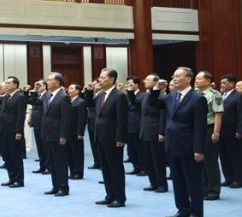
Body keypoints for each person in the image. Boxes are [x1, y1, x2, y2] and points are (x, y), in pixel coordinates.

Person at [150, 67, 207, 217]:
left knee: (192, 180)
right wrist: (157, 88)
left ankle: (196, 212)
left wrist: (199, 149)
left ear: (188, 79)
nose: (174, 79)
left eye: (178, 76)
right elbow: (153, 102)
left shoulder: (197, 98)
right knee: (178, 179)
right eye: (173, 76)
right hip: (172, 144)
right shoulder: (172, 95)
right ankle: (182, 209)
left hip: (189, 146)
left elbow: (200, 127)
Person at [84, 68, 128, 208]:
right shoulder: (100, 95)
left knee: (115, 168)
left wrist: (120, 138)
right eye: (99, 77)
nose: (99, 80)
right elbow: (89, 105)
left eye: (103, 77)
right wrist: (90, 91)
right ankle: (109, 195)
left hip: (113, 137)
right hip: (100, 136)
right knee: (106, 168)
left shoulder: (119, 95)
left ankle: (119, 198)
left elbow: (122, 119)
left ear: (112, 79)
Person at [130, 73, 168, 193]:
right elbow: (135, 104)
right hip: (144, 131)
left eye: (148, 80)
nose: (145, 81)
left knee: (158, 160)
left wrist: (161, 132)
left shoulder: (161, 97)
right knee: (148, 160)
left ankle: (162, 184)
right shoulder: (146, 96)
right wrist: (130, 92)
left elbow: (163, 116)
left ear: (156, 83)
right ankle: (153, 183)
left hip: (156, 131)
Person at [36, 72, 71, 196]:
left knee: (60, 162)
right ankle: (55, 186)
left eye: (50, 80)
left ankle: (63, 187)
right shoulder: (47, 96)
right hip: (47, 133)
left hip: (57, 134)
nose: (47, 82)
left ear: (57, 82)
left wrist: (63, 135)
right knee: (51, 161)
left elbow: (66, 119)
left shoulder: (63, 96)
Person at [0, 76, 27, 188]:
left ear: (15, 85)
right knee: (7, 155)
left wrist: (19, 131)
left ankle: (19, 179)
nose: (6, 85)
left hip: (13, 130)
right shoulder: (6, 96)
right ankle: (12, 178)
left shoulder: (20, 96)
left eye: (8, 83)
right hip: (4, 129)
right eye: (6, 83)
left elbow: (20, 116)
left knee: (15, 156)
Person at [195, 71, 223, 201]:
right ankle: (203, 187)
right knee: (199, 159)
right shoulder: (195, 94)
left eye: (199, 78)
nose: (196, 80)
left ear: (207, 81)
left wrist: (216, 132)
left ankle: (214, 190)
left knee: (210, 160)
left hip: (208, 128)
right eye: (196, 78)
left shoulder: (214, 94)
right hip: (197, 129)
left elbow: (218, 114)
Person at [218, 74, 242, 188]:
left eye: (224, 83)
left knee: (235, 156)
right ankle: (228, 178)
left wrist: (239, 130)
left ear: (232, 84)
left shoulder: (238, 96)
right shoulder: (220, 95)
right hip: (220, 131)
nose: (222, 85)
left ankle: (238, 179)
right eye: (221, 83)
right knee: (223, 156)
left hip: (233, 131)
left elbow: (241, 115)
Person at [28, 79, 49, 175]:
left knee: (45, 147)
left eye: (39, 85)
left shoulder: (47, 95)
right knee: (40, 147)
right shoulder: (38, 95)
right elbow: (31, 102)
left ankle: (48, 167)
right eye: (36, 85)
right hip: (36, 124)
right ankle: (42, 166)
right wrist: (35, 90)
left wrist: (35, 92)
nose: (37, 86)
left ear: (45, 86)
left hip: (44, 125)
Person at [67, 83, 87, 180]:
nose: (69, 90)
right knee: (69, 152)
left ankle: (78, 172)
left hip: (76, 131)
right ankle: (72, 171)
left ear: (77, 91)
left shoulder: (80, 102)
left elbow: (82, 119)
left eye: (71, 88)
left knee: (77, 153)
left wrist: (80, 133)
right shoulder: (67, 101)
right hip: (67, 131)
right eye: (69, 88)